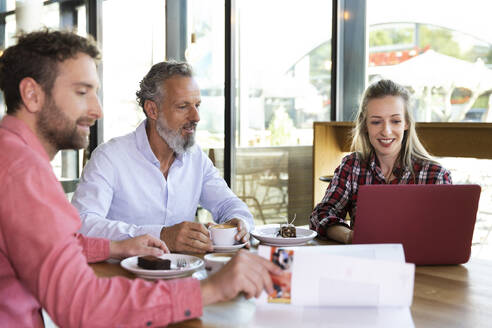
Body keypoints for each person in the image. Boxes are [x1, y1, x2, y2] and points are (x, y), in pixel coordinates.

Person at [0, 29, 281, 327]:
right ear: (32, 94)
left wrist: (116, 246)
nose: (98, 110)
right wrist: (212, 288)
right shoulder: (23, 173)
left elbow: (59, 241)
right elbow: (81, 304)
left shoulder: (14, 159)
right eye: (82, 92)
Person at [71, 61, 252, 254]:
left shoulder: (196, 157)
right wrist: (161, 235)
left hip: (183, 276)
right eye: (183, 106)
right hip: (121, 277)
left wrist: (239, 222)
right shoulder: (110, 157)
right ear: (152, 110)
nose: (196, 116)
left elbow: (228, 204)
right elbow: (82, 224)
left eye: (197, 105)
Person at [310, 79, 452, 244]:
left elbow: (447, 233)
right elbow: (321, 214)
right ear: (365, 125)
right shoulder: (352, 166)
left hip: (420, 266)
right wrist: (349, 236)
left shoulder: (435, 175)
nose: (386, 131)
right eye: (376, 122)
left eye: (395, 121)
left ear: (406, 123)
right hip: (367, 263)